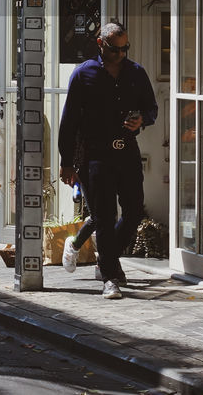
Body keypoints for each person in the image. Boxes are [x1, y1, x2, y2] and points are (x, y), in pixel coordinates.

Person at [58, 21, 157, 300]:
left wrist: (142, 119)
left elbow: (151, 108)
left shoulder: (136, 73)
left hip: (126, 150)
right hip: (94, 155)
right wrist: (66, 162)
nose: (121, 55)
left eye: (125, 49)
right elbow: (69, 123)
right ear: (101, 45)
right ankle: (110, 277)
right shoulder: (83, 75)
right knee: (104, 217)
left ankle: (106, 259)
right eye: (115, 50)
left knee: (135, 211)